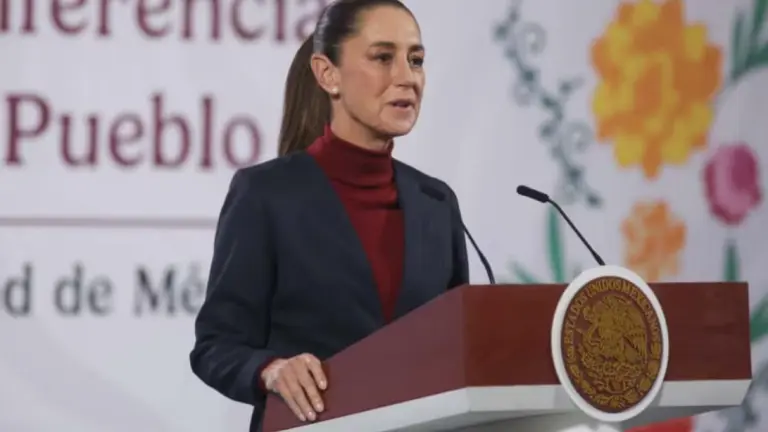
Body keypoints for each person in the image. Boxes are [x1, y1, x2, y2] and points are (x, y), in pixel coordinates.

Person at [189, 0, 469, 430]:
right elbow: (215, 346)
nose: (407, 77)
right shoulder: (266, 194)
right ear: (327, 74)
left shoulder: (437, 202)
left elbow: (459, 348)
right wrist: (271, 370)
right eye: (383, 58)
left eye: (416, 60)